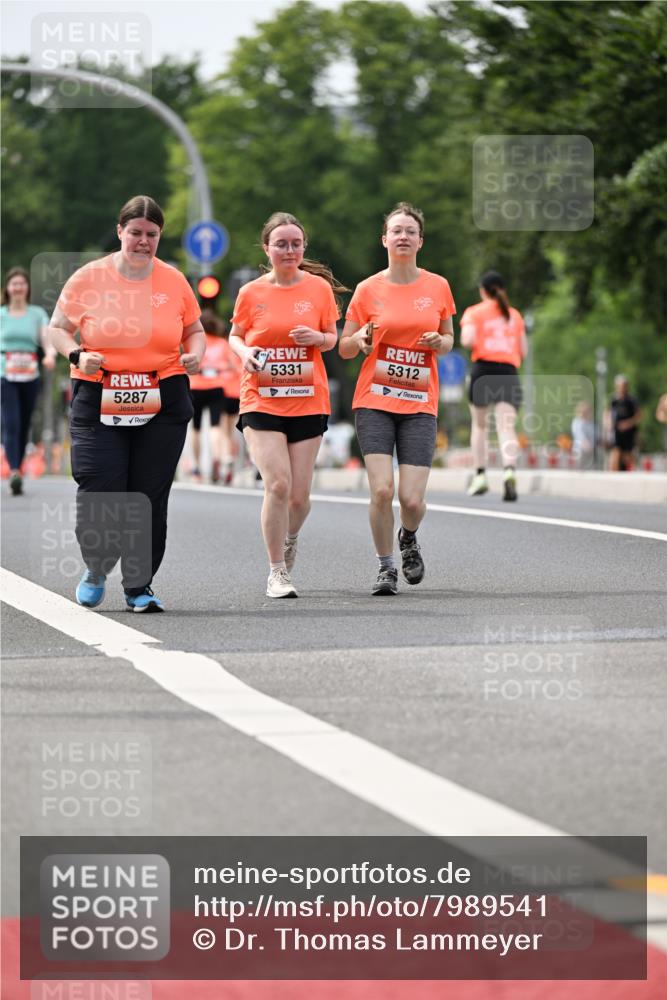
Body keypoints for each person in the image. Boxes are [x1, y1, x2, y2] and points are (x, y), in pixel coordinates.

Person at [48, 195, 205, 612]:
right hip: (100, 395)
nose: (143, 241)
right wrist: (77, 355)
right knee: (101, 488)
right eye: (135, 233)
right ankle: (96, 567)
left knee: (149, 496)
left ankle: (139, 586)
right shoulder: (88, 278)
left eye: (151, 235)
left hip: (162, 397)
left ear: (160, 236)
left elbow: (195, 330)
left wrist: (196, 353)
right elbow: (58, 330)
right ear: (120, 232)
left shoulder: (173, 281)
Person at [339, 202, 455, 596]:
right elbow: (344, 347)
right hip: (374, 399)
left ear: (420, 240)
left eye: (410, 231)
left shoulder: (437, 286)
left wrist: (442, 342)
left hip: (420, 402)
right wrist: (359, 340)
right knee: (382, 491)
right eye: (396, 230)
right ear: (384, 239)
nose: (403, 236)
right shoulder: (368, 289)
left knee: (411, 499)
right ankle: (386, 566)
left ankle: (408, 536)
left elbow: (449, 338)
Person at [229, 211, 344, 598]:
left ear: (303, 247)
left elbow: (333, 339)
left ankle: (290, 537)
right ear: (267, 248)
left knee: (299, 497)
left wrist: (317, 337)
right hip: (261, 397)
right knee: (277, 485)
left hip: (308, 399)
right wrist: (244, 352)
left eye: (296, 243)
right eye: (281, 244)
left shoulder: (318, 290)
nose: (289, 250)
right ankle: (277, 571)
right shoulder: (252, 293)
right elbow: (234, 335)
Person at [460, 270, 527, 501]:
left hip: (484, 370)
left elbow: (467, 341)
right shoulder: (515, 316)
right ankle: (509, 470)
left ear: (482, 290)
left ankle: (480, 476)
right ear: (502, 289)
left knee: (480, 427)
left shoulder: (475, 312)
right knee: (505, 427)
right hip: (508, 371)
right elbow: (523, 351)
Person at [1, 267, 57, 495]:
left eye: (22, 284)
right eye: (14, 284)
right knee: (11, 422)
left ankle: (19, 468)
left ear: (27, 288)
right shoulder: (1, 314)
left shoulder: (36, 314)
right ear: (7, 288)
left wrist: (51, 354)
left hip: (30, 374)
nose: (18, 288)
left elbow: (46, 338)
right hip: (5, 372)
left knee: (25, 423)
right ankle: (14, 471)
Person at [188, 309, 242, 484]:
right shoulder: (222, 343)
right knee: (216, 427)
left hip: (195, 386)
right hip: (217, 387)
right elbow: (235, 366)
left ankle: (196, 467)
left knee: (195, 429)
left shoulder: (194, 343)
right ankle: (220, 457)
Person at [609, 374, 641, 471]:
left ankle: (635, 472)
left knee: (628, 454)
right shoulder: (613, 399)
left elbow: (639, 416)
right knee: (616, 451)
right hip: (617, 431)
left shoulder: (632, 400)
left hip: (629, 431)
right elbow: (607, 413)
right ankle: (613, 475)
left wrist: (627, 424)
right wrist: (608, 423)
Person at [571, 400, 595, 467]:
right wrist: (589, 448)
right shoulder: (577, 422)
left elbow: (596, 437)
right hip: (580, 452)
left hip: (592, 453)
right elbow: (581, 437)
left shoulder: (592, 424)